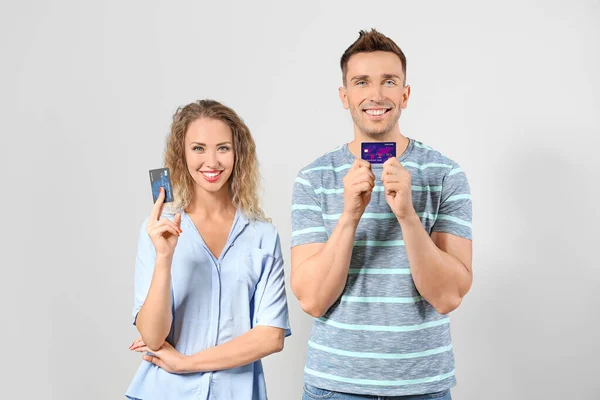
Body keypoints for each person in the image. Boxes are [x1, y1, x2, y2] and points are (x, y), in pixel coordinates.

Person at [291, 29, 472, 400]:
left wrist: (408, 216)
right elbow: (312, 300)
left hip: (423, 385)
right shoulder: (313, 178)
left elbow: (448, 297)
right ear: (345, 96)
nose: (376, 95)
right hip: (334, 386)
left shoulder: (445, 174)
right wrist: (348, 217)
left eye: (389, 82)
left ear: (405, 94)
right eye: (362, 82)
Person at [125, 99, 291, 400]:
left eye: (223, 148)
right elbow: (152, 336)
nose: (211, 162)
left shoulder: (262, 236)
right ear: (182, 155)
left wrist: (187, 363)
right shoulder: (158, 229)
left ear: (238, 153)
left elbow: (271, 336)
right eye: (198, 148)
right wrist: (164, 258)